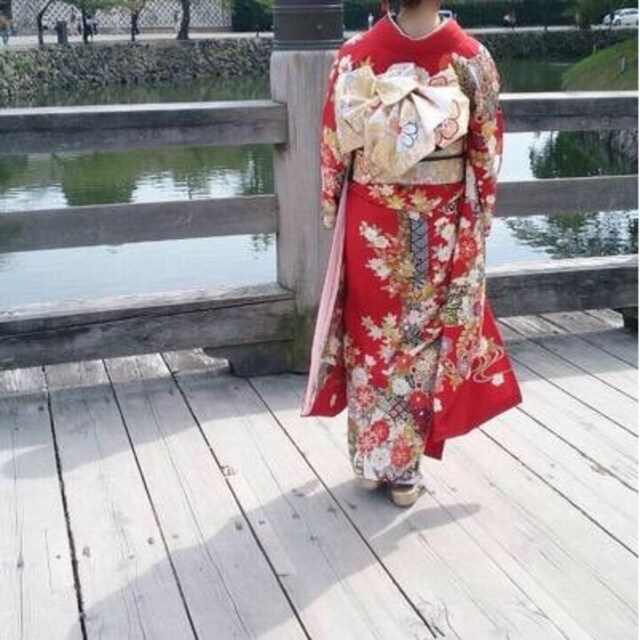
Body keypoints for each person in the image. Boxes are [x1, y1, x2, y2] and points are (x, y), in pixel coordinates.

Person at [301, 0, 523, 507]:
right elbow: (486, 150)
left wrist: (331, 203)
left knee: (368, 335)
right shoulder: (471, 60)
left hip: (371, 221)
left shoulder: (354, 57)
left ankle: (371, 460)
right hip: (437, 223)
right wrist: (480, 213)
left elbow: (333, 144)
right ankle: (403, 474)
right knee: (418, 340)